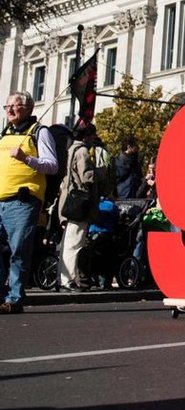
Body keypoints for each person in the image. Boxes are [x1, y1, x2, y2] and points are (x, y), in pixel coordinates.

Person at [0, 92, 59, 313]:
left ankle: (14, 299)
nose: (10, 110)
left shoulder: (39, 132)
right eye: (7, 106)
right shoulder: (4, 133)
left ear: (28, 108)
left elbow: (52, 165)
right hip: (1, 200)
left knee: (18, 251)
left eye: (15, 106)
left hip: (22, 202)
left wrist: (26, 159)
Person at [58, 120, 98, 291]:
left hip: (67, 199)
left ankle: (64, 279)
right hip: (79, 203)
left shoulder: (70, 148)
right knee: (75, 243)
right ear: (86, 136)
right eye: (92, 135)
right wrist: (99, 174)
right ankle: (68, 280)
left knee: (68, 241)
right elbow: (87, 177)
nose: (94, 139)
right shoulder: (82, 151)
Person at [115, 133, 143, 199]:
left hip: (135, 196)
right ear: (129, 146)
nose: (138, 147)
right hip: (123, 196)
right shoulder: (119, 162)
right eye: (136, 145)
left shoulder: (135, 161)